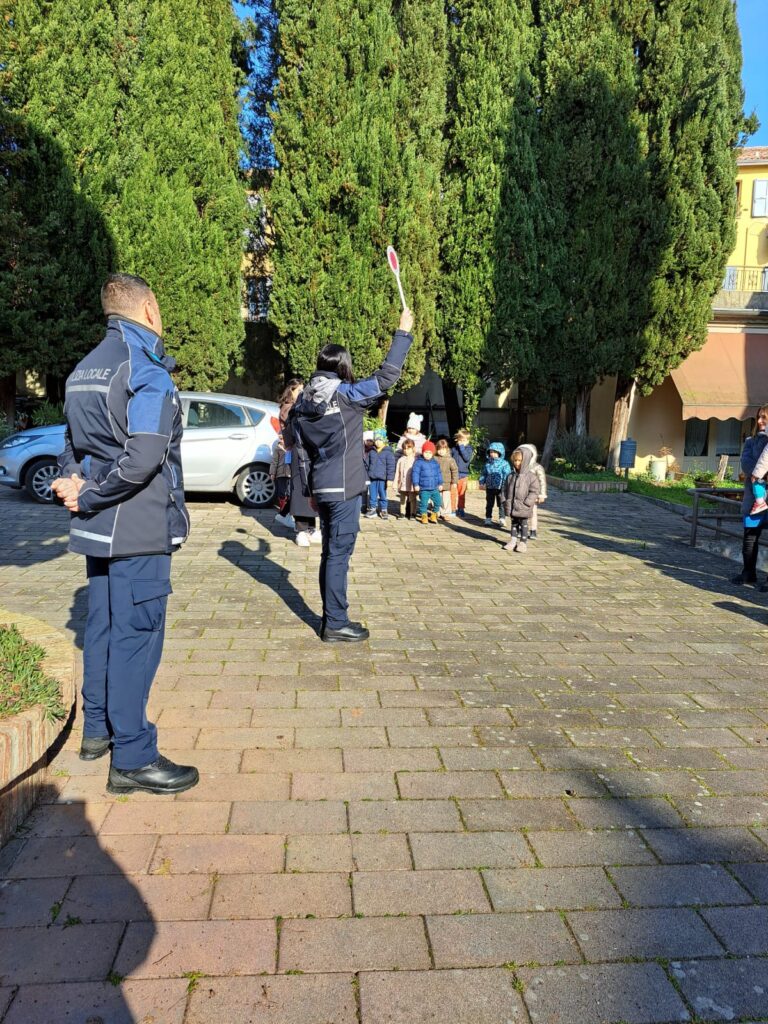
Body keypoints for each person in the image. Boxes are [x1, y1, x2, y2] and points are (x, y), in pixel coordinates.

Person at [51, 273, 198, 796]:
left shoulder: (82, 368)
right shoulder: (146, 368)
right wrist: (87, 494)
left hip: (98, 530)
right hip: (136, 524)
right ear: (150, 309)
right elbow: (143, 458)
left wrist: (74, 482)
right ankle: (133, 756)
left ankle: (97, 731)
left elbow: (69, 443)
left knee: (104, 629)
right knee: (137, 638)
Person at [291, 308, 414, 642]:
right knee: (338, 556)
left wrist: (310, 492)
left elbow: (300, 453)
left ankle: (332, 618)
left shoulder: (302, 401)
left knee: (330, 554)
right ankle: (335, 623)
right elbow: (386, 378)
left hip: (322, 488)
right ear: (342, 367)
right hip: (344, 489)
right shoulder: (345, 395)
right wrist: (403, 333)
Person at [279, 379, 321, 547]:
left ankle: (311, 528)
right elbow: (289, 435)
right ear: (292, 391)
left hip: (310, 451)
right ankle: (301, 530)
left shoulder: (304, 407)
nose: (303, 394)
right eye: (300, 391)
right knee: (300, 490)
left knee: (311, 488)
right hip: (298, 451)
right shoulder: (289, 409)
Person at [734, 406, 768, 587]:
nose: (761, 421)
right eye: (759, 417)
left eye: (765, 417)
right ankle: (748, 572)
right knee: (750, 537)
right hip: (753, 500)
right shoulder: (750, 441)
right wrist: (762, 471)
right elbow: (746, 465)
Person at [502, 446, 541, 553]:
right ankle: (513, 540)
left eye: (520, 460)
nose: (517, 463)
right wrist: (504, 500)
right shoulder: (511, 476)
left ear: (526, 460)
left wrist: (528, 502)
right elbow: (505, 489)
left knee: (523, 524)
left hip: (524, 506)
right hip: (512, 505)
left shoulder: (531, 477)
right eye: (515, 460)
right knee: (514, 523)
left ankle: (523, 542)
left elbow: (534, 491)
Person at [479, 442, 511, 528]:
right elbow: (484, 474)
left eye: (494, 452)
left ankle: (502, 519)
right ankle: (488, 518)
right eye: (490, 452)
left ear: (500, 452)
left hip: (501, 488)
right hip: (489, 487)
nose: (492, 454)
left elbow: (507, 474)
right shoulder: (488, 464)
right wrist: (482, 482)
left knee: (501, 503)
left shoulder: (504, 463)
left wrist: (505, 485)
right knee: (489, 503)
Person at [518, 442, 547, 539]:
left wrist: (542, 495)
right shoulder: (518, 466)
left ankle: (533, 530)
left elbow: (542, 481)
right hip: (520, 494)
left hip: (532, 495)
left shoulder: (537, 467)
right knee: (519, 512)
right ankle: (520, 529)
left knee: (533, 512)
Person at [364, 433, 396, 519]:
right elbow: (367, 464)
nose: (378, 442)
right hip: (372, 478)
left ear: (384, 441)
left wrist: (390, 479)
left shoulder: (388, 452)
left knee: (383, 494)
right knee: (372, 494)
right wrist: (367, 475)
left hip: (383, 478)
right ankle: (372, 509)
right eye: (376, 440)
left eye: (380, 440)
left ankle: (384, 509)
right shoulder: (371, 451)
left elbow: (391, 467)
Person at [412, 440, 443, 524]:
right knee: (423, 504)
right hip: (424, 488)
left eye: (430, 452)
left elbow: (439, 473)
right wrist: (416, 484)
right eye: (426, 452)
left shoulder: (435, 463)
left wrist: (440, 483)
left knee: (438, 502)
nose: (428, 454)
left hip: (434, 488)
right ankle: (424, 516)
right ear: (423, 452)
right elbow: (415, 473)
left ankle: (433, 515)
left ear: (433, 453)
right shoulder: (418, 462)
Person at [270, 433, 294, 528]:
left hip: (290, 473)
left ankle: (288, 513)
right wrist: (272, 473)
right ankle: (282, 510)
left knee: (289, 493)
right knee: (281, 493)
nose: (281, 439)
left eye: (283, 437)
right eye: (280, 438)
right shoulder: (277, 448)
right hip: (280, 473)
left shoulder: (291, 448)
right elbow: (274, 461)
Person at [452, 429, 474, 518]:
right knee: (452, 493)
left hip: (463, 475)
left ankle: (461, 508)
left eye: (464, 440)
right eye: (460, 440)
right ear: (457, 440)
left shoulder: (469, 449)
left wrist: (462, 447)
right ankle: (452, 509)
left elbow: (466, 458)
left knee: (461, 494)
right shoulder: (454, 449)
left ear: (468, 441)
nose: (461, 442)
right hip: (454, 474)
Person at [394, 438, 417, 519]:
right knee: (402, 499)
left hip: (411, 484)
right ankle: (402, 513)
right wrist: (395, 483)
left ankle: (413, 513)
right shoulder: (400, 459)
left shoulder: (415, 459)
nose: (406, 450)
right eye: (404, 448)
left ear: (413, 448)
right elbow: (397, 472)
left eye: (408, 448)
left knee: (412, 499)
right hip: (402, 483)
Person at [435, 438, 459, 518]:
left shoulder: (450, 460)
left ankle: (446, 513)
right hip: (436, 483)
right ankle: (437, 511)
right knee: (437, 498)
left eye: (443, 449)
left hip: (447, 483)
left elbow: (455, 471)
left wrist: (454, 482)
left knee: (446, 499)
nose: (441, 451)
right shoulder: (434, 459)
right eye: (439, 449)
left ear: (446, 449)